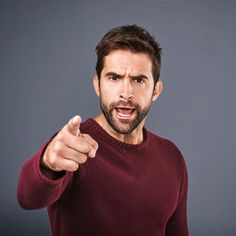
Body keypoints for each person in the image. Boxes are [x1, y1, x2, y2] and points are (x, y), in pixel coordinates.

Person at [17, 24, 189, 236]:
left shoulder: (172, 157)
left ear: (156, 90)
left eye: (138, 80)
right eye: (114, 78)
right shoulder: (73, 146)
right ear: (97, 84)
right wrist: (47, 164)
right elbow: (28, 197)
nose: (126, 93)